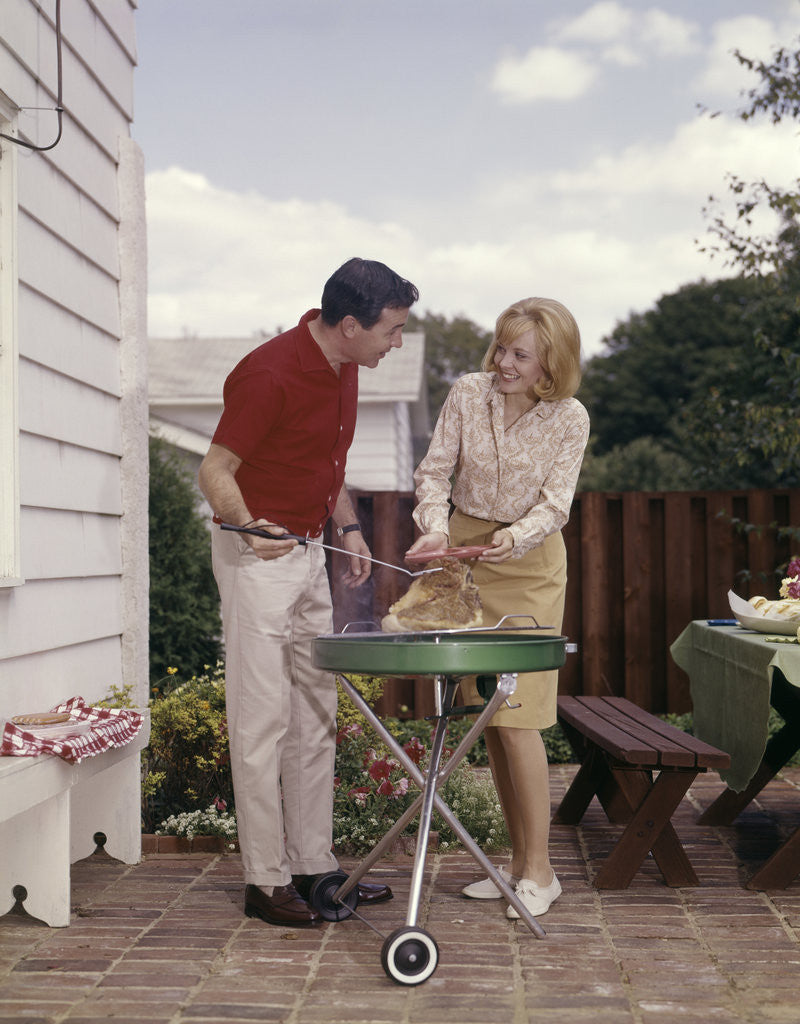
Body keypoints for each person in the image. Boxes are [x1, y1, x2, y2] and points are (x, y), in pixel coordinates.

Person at [198, 257, 419, 927]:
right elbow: (216, 469)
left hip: (309, 553)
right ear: (350, 325)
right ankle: (266, 883)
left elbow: (329, 463)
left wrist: (347, 526)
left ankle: (314, 866)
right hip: (257, 557)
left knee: (315, 717)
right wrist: (248, 523)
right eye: (392, 330)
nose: (397, 342)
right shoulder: (269, 374)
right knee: (263, 721)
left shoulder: (345, 367)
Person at [406, 296, 589, 919]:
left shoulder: (570, 418)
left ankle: (542, 871)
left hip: (530, 566)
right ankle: (512, 864)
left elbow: (556, 504)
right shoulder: (467, 393)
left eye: (520, 353)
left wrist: (508, 540)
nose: (503, 362)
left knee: (519, 715)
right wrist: (435, 528)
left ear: (551, 362)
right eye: (501, 347)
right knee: (488, 717)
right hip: (462, 555)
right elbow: (433, 473)